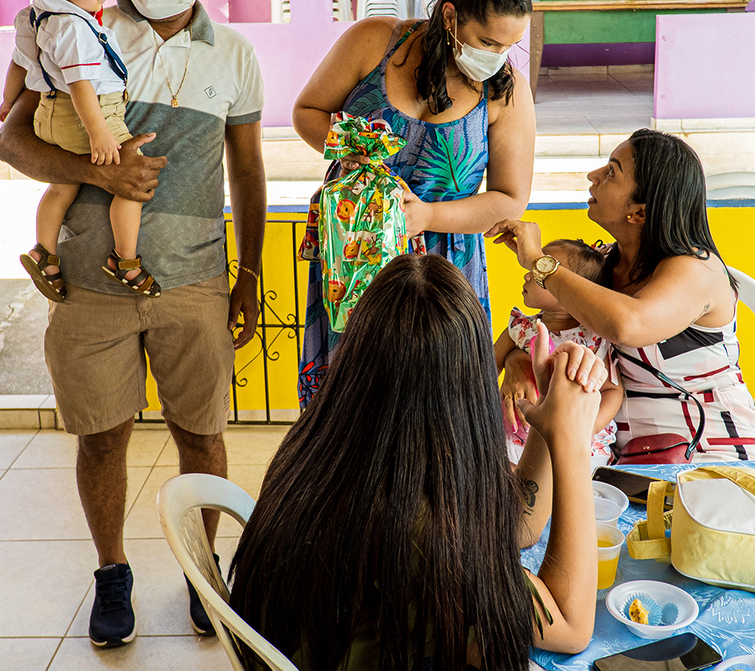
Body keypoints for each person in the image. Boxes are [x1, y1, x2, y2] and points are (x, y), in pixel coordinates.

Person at [0, 0, 266, 649]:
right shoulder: (80, 28)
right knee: (101, 437)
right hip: (91, 284)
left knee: (202, 435)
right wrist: (101, 174)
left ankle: (203, 570)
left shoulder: (235, 56)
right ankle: (112, 571)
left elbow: (247, 172)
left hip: (194, 282)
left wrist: (248, 274)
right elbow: (11, 142)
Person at [229, 254, 604, 671]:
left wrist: (546, 414)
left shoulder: (328, 442)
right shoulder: (425, 527)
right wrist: (571, 443)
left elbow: (520, 527)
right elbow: (571, 626)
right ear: (470, 385)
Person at [293, 0, 536, 407]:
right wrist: (348, 149)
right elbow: (307, 111)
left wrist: (426, 216)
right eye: (487, 41)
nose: (497, 57)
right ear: (450, 16)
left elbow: (509, 200)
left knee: (435, 410)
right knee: (354, 404)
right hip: (354, 252)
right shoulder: (374, 43)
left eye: (509, 46)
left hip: (443, 269)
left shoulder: (506, 91)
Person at [493, 129, 755, 462]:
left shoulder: (696, 270)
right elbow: (551, 323)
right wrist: (518, 360)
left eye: (611, 172)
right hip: (617, 454)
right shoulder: (603, 264)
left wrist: (540, 263)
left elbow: (627, 325)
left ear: (640, 212)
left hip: (708, 448)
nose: (593, 176)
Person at [0, 0, 160, 302]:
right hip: (86, 116)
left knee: (62, 185)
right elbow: (81, 85)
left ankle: (44, 251)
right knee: (132, 180)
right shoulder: (73, 26)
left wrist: (7, 101)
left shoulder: (32, 16)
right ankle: (124, 260)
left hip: (49, 115)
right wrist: (100, 133)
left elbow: (19, 63)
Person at [494, 239, 622, 468]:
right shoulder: (520, 328)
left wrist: (590, 427)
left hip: (581, 443)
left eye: (540, 273)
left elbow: (612, 391)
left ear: (571, 289)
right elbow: (486, 367)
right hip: (517, 435)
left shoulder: (594, 337)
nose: (527, 275)